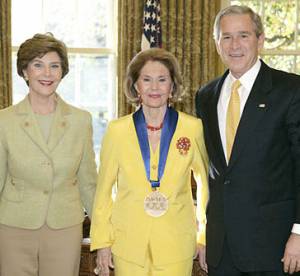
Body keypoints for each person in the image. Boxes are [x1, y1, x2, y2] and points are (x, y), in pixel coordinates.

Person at [195, 5, 300, 276]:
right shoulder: (205, 96)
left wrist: (299, 233)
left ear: (260, 40)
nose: (235, 45)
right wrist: (206, 235)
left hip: (275, 246)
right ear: (217, 44)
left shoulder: (290, 90)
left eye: (243, 35)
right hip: (222, 247)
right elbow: (212, 173)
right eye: (226, 37)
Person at [90, 48, 209, 276]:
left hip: (176, 245)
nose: (154, 88)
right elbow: (103, 192)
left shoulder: (192, 128)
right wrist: (103, 242)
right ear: (136, 86)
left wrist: (203, 235)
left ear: (172, 86)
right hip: (127, 245)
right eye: (146, 80)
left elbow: (205, 185)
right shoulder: (117, 131)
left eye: (162, 80)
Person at [0, 33, 97, 276]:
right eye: (38, 65)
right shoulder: (4, 121)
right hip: (14, 226)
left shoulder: (80, 120)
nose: (47, 74)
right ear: (25, 71)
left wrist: (104, 230)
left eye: (54, 66)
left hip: (65, 226)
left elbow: (88, 182)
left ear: (62, 72)